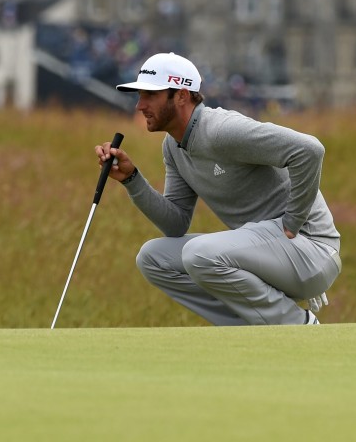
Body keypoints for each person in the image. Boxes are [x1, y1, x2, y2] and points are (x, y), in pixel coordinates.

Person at [95, 52, 341, 326]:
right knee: (153, 258)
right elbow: (175, 223)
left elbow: (309, 150)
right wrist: (132, 179)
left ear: (181, 95)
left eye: (150, 95)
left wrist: (293, 222)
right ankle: (249, 326)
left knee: (197, 254)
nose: (140, 105)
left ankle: (297, 325)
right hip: (268, 254)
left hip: (311, 250)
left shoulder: (221, 130)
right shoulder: (173, 146)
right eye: (140, 95)